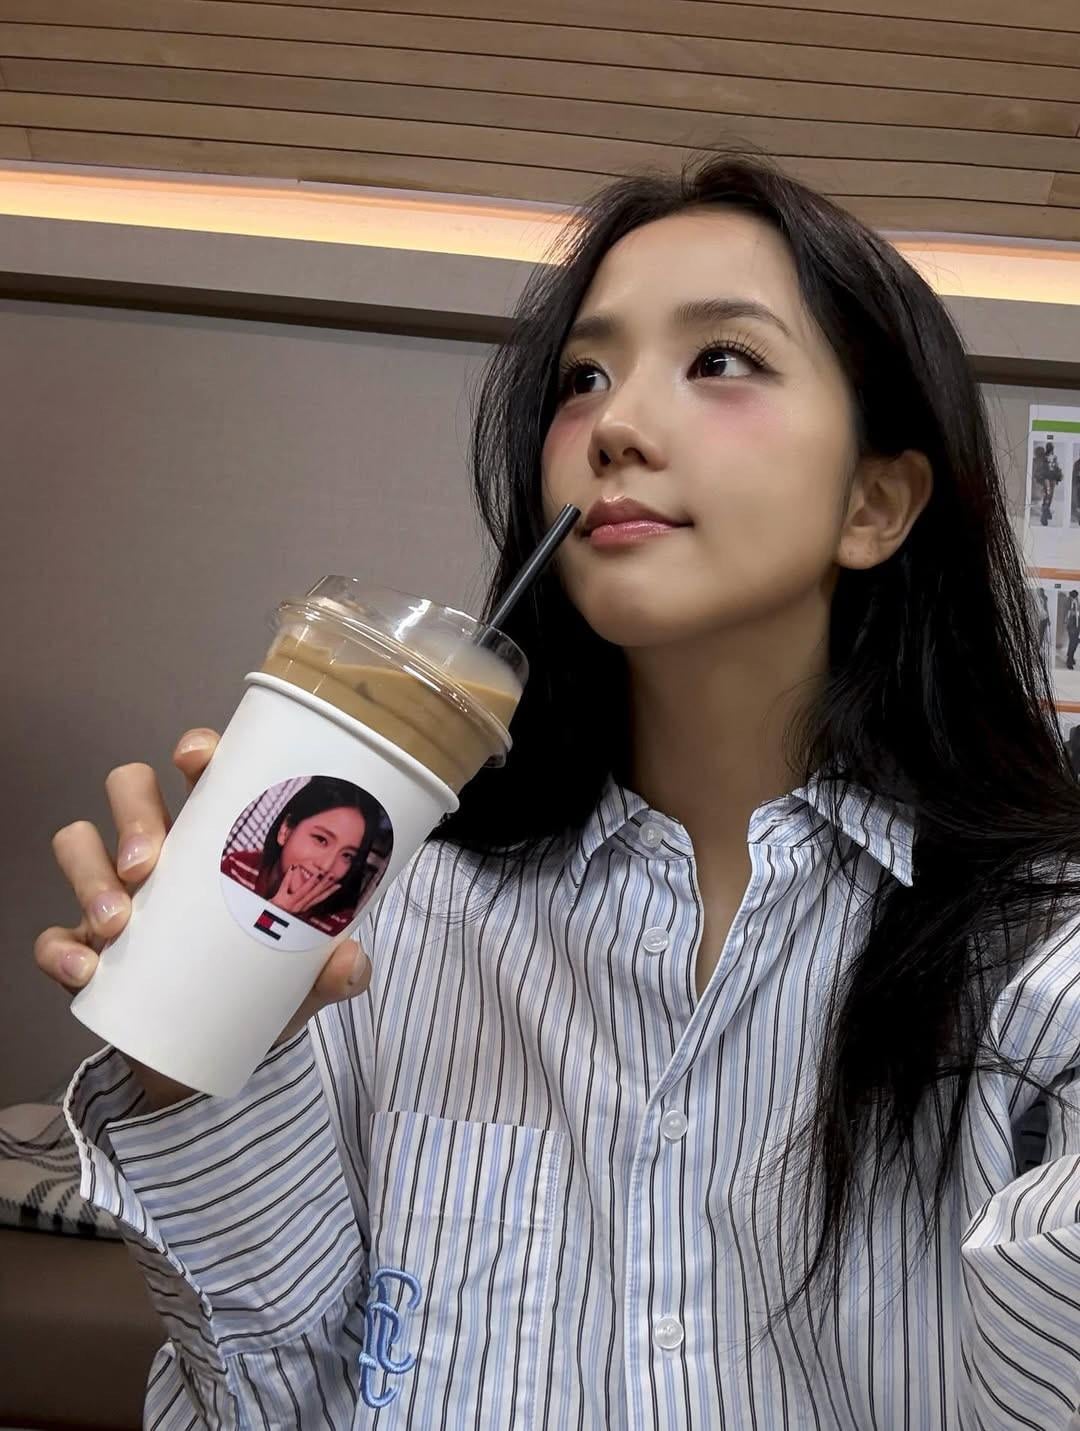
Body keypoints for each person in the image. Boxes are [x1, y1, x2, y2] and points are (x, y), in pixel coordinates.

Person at [36, 152, 1080, 1428]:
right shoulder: (388, 920)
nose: (615, 428)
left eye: (722, 360)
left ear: (876, 502)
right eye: (584, 378)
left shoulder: (1034, 952)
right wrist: (196, 1056)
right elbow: (269, 1396)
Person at [220, 775, 385, 936]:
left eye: (347, 855)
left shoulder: (337, 925)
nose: (326, 866)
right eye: (321, 839)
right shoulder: (236, 869)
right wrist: (275, 912)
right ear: (286, 830)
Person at [1066, 590, 1080, 672]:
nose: (1075, 598)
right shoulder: (1069, 602)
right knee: (1073, 642)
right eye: (1074, 596)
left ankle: (1070, 656)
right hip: (1071, 625)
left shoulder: (1077, 601)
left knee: (1075, 642)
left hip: (1077, 625)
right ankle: (1069, 661)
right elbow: (1068, 614)